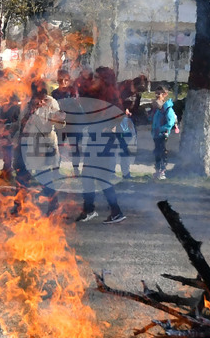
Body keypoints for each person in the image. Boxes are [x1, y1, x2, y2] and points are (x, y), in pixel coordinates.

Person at [75, 66, 127, 224]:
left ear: (104, 80)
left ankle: (116, 212)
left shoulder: (111, 95)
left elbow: (120, 113)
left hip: (104, 141)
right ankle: (89, 209)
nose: (94, 80)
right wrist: (82, 78)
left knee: (102, 177)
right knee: (87, 175)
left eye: (97, 77)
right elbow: (83, 94)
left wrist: (109, 126)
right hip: (94, 139)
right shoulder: (96, 93)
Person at [17, 79, 63, 213]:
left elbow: (59, 124)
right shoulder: (27, 103)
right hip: (28, 143)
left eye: (41, 93)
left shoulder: (51, 102)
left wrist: (58, 118)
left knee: (44, 176)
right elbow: (21, 123)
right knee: (22, 176)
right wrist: (31, 110)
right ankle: (19, 205)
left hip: (44, 144)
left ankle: (53, 204)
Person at [151, 85, 177, 180]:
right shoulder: (158, 109)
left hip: (163, 134)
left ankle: (162, 171)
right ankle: (157, 170)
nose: (157, 96)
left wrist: (161, 129)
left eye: (159, 94)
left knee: (162, 152)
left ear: (165, 94)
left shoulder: (167, 109)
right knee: (157, 153)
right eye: (156, 93)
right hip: (156, 135)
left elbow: (170, 123)